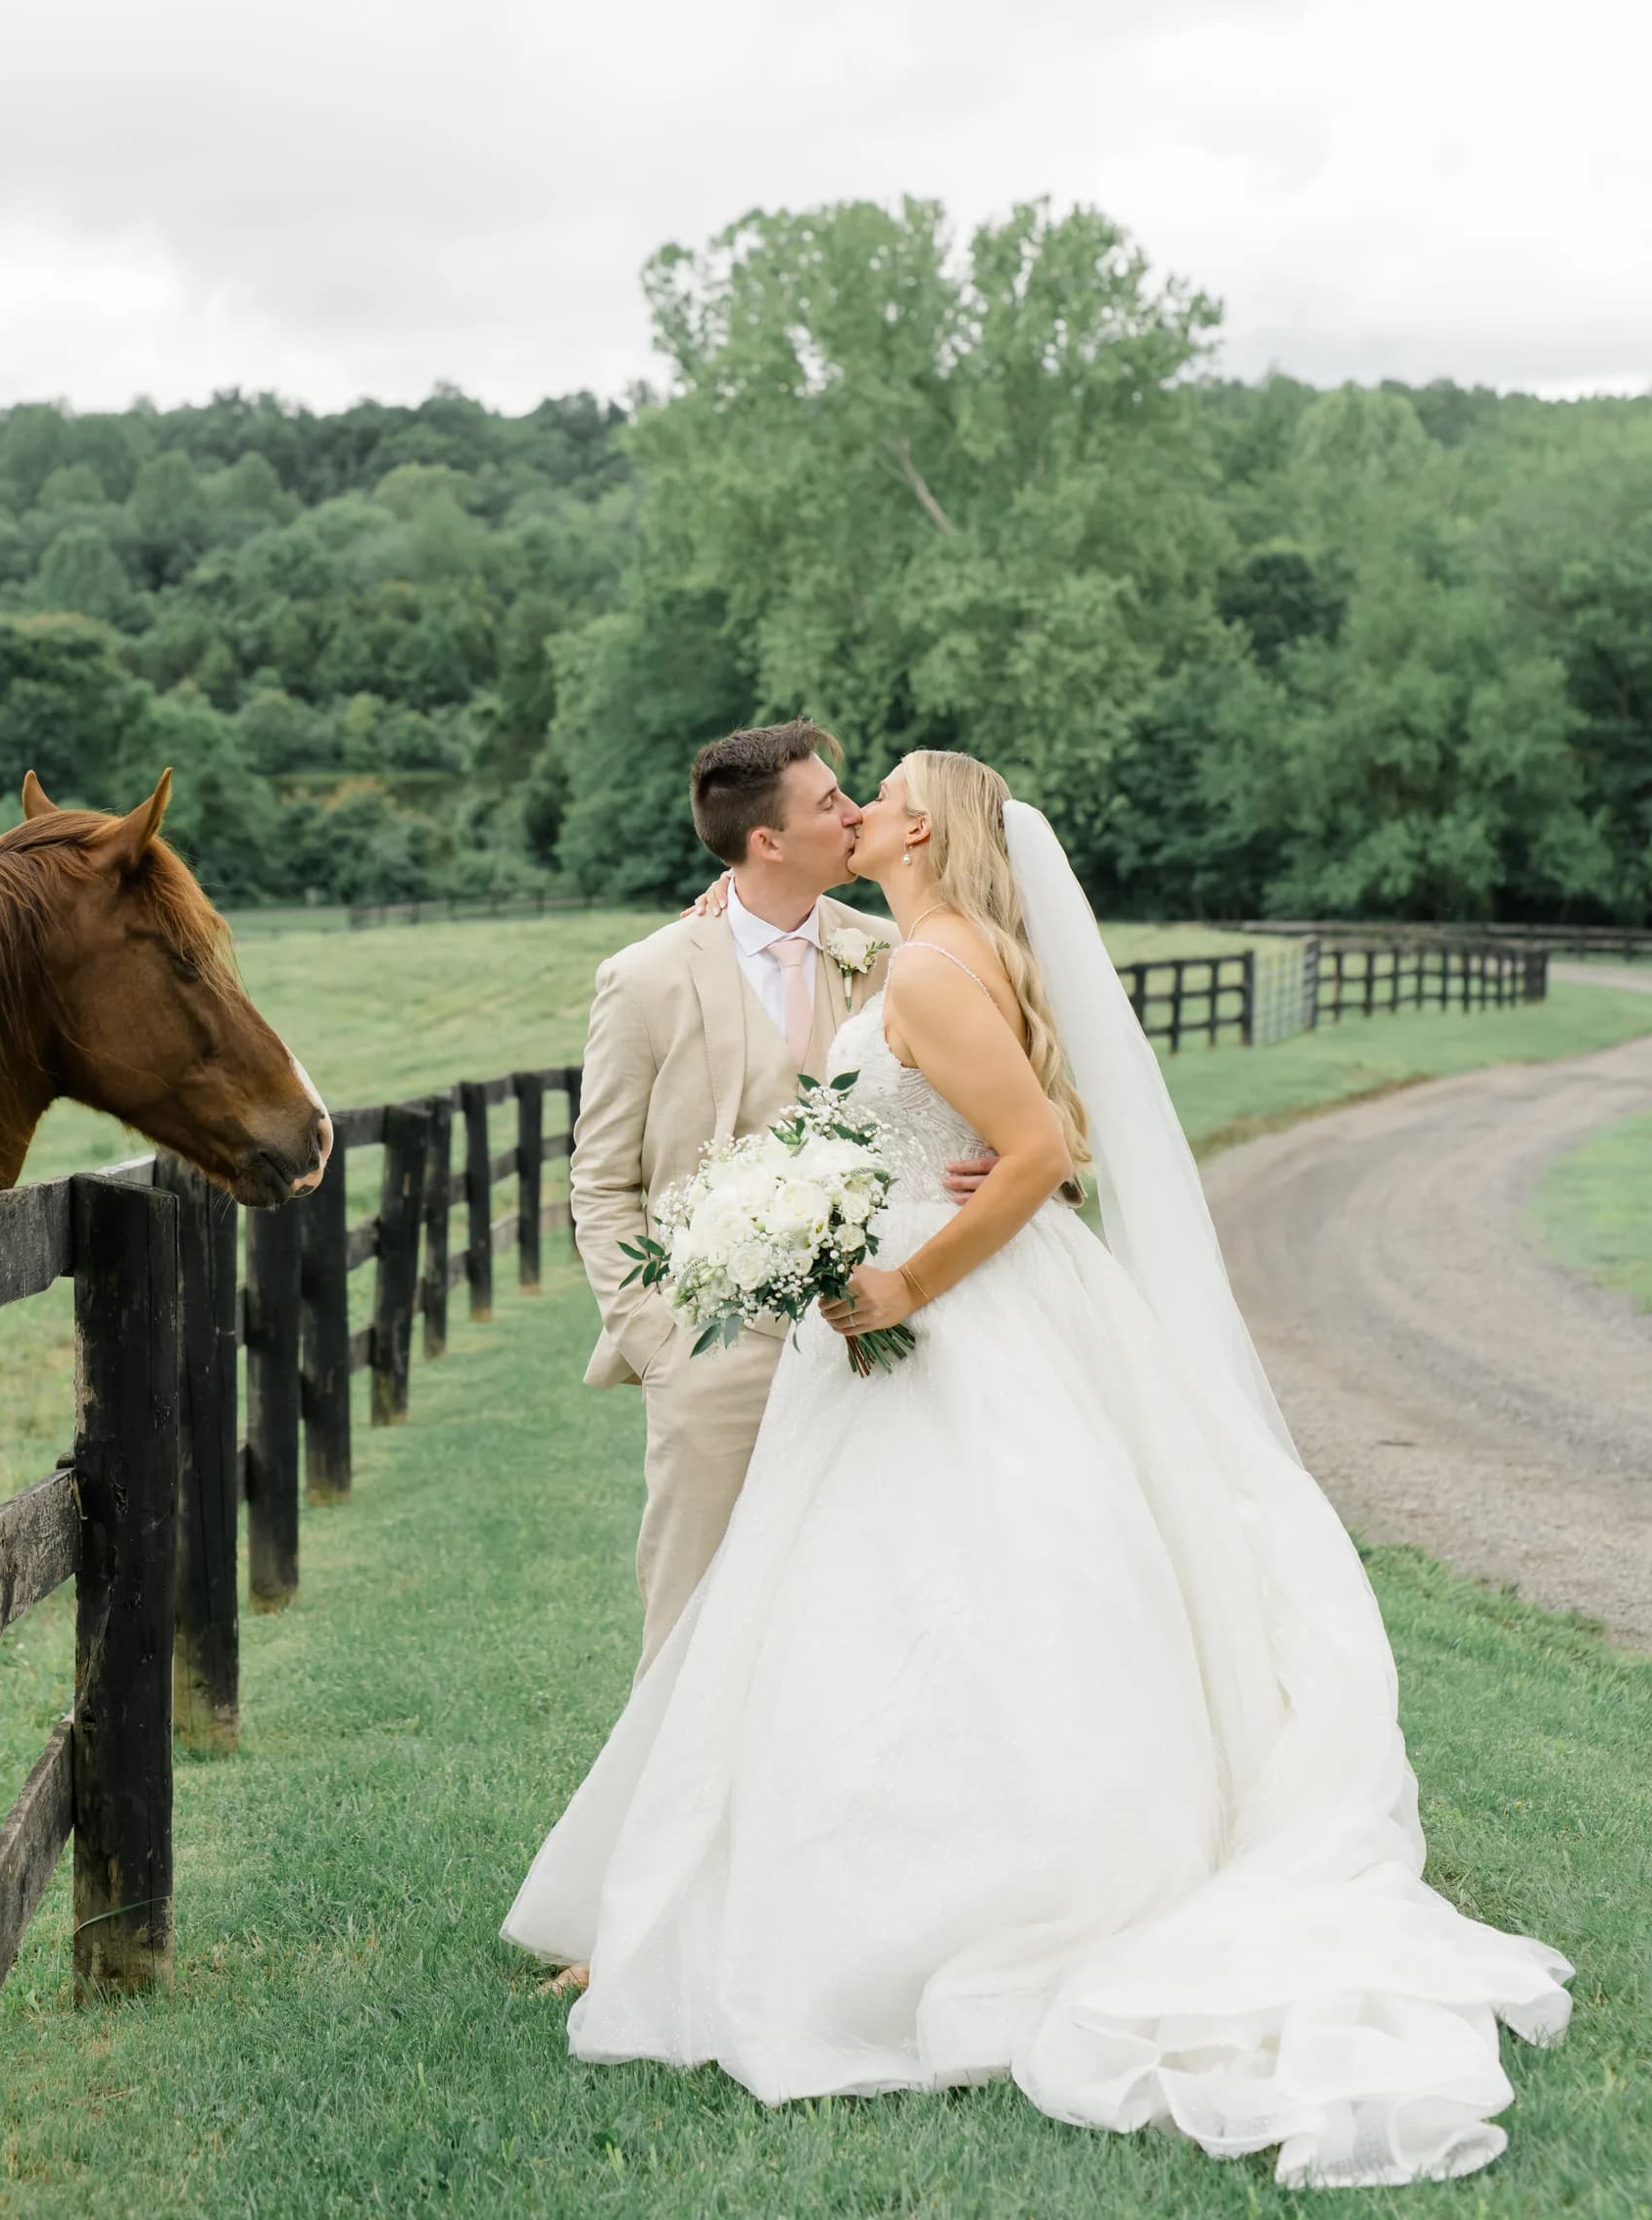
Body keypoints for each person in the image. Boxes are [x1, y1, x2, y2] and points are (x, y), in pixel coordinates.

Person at [507, 749, 1572, 2189]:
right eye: (834, 800)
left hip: (933, 1322)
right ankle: (744, 1879)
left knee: (968, 1596)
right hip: (847, 1336)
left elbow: (1039, 1141)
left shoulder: (927, 965)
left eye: (875, 795)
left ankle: (951, 1902)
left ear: (928, 826)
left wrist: (907, 1280)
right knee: (823, 1616)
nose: (857, 811)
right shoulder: (881, 948)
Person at [569, 720, 993, 1681]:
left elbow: (1016, 1094)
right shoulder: (643, 978)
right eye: (827, 802)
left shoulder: (895, 952)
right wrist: (657, 1343)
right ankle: (667, 1826)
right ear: (767, 841)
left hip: (884, 1339)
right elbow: (600, 1182)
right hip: (716, 1352)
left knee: (875, 1612)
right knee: (690, 1622)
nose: (853, 814)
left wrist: (1022, 1162)